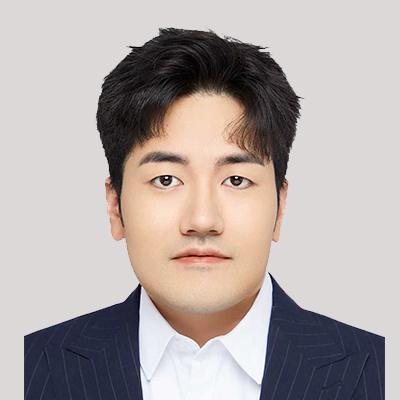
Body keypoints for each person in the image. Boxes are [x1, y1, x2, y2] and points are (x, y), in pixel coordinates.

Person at [24, 27, 385, 400]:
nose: (202, 221)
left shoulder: (381, 371)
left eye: (236, 180)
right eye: (166, 179)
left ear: (280, 208)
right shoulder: (26, 370)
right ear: (115, 206)